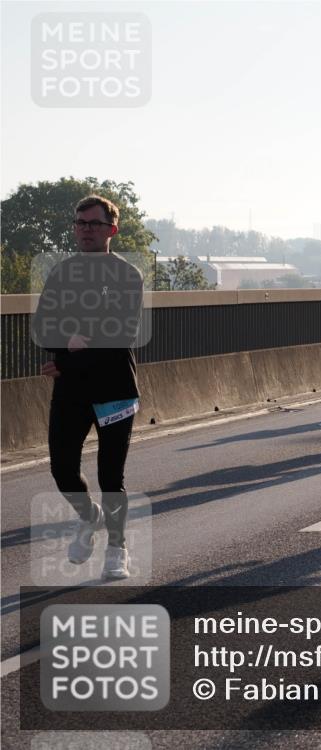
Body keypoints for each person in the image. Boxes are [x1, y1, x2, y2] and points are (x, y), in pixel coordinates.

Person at [32, 195, 143, 580]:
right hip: (72, 389)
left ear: (112, 229)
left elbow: (122, 334)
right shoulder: (62, 273)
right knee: (62, 470)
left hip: (115, 388)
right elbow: (42, 326)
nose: (84, 230)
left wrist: (65, 359)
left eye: (93, 224)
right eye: (79, 223)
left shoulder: (127, 275)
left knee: (111, 477)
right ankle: (89, 515)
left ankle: (117, 548)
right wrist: (68, 343)